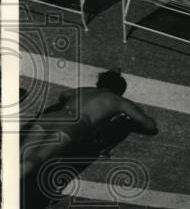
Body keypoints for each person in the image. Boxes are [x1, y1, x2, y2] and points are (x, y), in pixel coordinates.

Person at [20, 70, 158, 182]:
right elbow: (150, 125)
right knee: (37, 158)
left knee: (22, 154)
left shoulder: (85, 90)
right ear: (120, 90)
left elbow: (64, 95)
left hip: (51, 117)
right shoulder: (119, 101)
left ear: (99, 83)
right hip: (73, 124)